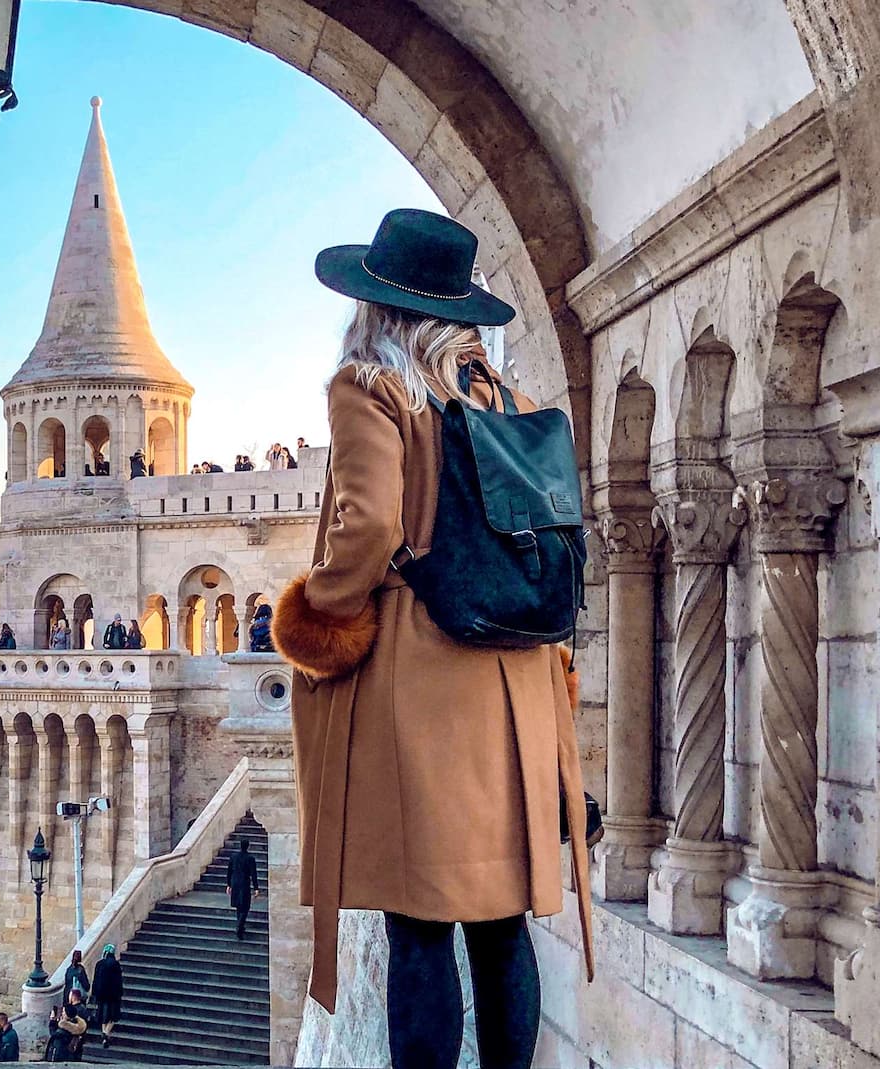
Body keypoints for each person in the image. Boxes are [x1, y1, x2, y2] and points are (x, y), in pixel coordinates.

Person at [275, 208, 590, 1069]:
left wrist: (323, 612)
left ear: (376, 306)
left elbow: (369, 525)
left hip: (425, 677)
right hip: (519, 680)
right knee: (500, 925)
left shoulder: (372, 389)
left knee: (419, 920)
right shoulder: (511, 401)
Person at [90, 943, 124, 1045]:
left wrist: (94, 993)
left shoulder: (99, 964)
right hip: (113, 996)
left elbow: (95, 980)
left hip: (101, 995)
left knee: (103, 1016)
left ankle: (104, 1035)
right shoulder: (115, 964)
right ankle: (105, 1034)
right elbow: (118, 981)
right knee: (113, 1017)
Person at [227, 838, 259, 940]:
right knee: (245, 907)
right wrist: (256, 888)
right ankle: (240, 926)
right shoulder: (250, 858)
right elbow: (253, 874)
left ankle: (240, 924)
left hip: (235, 883)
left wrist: (229, 885)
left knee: (238, 906)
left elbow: (229, 871)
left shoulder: (233, 857)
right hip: (244, 884)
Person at [45, 992, 90, 1061]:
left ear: (66, 1015)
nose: (62, 1013)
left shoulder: (63, 1031)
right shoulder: (79, 1027)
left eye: (63, 1012)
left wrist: (52, 1021)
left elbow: (54, 1036)